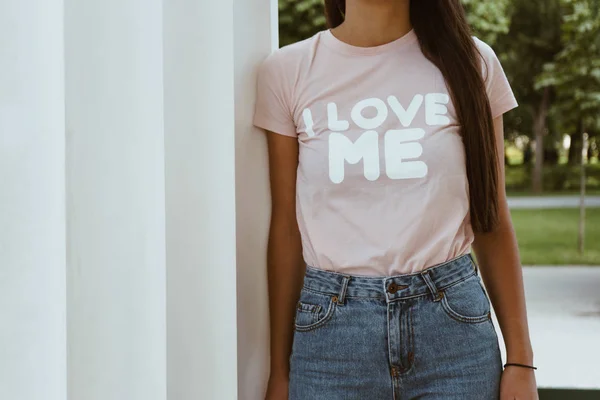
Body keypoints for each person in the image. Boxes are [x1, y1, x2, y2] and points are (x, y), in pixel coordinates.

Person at [253, 1, 538, 399]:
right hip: (330, 341)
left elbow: (492, 219)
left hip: (454, 334)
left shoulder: (473, 63)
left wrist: (521, 361)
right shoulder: (288, 71)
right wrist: (279, 372)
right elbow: (286, 229)